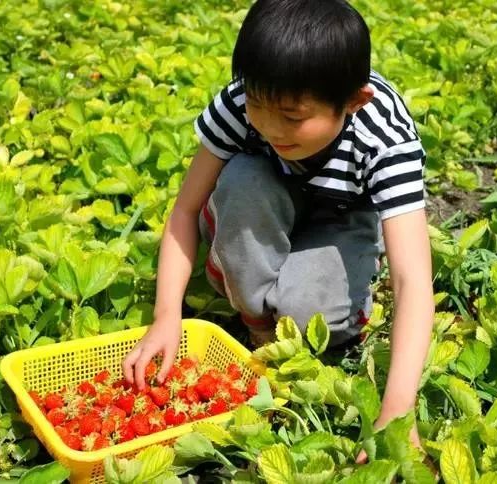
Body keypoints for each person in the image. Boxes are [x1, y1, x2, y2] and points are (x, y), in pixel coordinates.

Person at [122, 0, 435, 467]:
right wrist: (166, 315)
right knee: (245, 179)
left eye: (292, 117)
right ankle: (253, 319)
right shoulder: (241, 105)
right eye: (258, 106)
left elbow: (413, 280)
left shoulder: (385, 140)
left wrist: (397, 411)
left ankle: (290, 286)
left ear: (354, 102)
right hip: (263, 194)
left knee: (314, 322)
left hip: (340, 215)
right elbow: (185, 210)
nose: (269, 127)